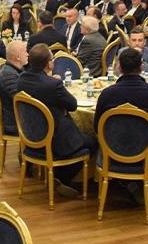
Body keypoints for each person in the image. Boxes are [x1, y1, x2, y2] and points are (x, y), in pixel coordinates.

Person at [17, 44, 95, 196]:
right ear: (49, 64)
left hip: (30, 135)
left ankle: (55, 174)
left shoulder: (21, 80)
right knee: (92, 142)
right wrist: (55, 83)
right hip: (54, 139)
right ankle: (62, 176)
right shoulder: (53, 85)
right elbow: (72, 105)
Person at [95, 48, 148, 203]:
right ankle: (134, 185)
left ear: (119, 68)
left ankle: (126, 183)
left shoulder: (107, 94)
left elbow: (97, 128)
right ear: (141, 67)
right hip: (146, 156)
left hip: (112, 154)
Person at [0, 41, 28, 137]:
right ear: (18, 57)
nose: (28, 54)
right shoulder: (8, 75)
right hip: (15, 124)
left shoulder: (13, 70)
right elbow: (22, 100)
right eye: (25, 52)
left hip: (18, 118)